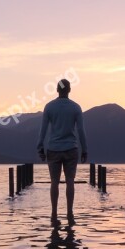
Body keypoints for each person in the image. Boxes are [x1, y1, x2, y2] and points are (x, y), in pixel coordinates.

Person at [36, 79, 88, 221]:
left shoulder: (49, 107)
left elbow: (44, 129)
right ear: (69, 90)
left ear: (57, 90)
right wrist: (84, 149)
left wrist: (40, 147)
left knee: (54, 181)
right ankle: (70, 213)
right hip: (71, 148)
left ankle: (54, 213)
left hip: (53, 148)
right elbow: (81, 131)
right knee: (70, 181)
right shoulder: (76, 108)